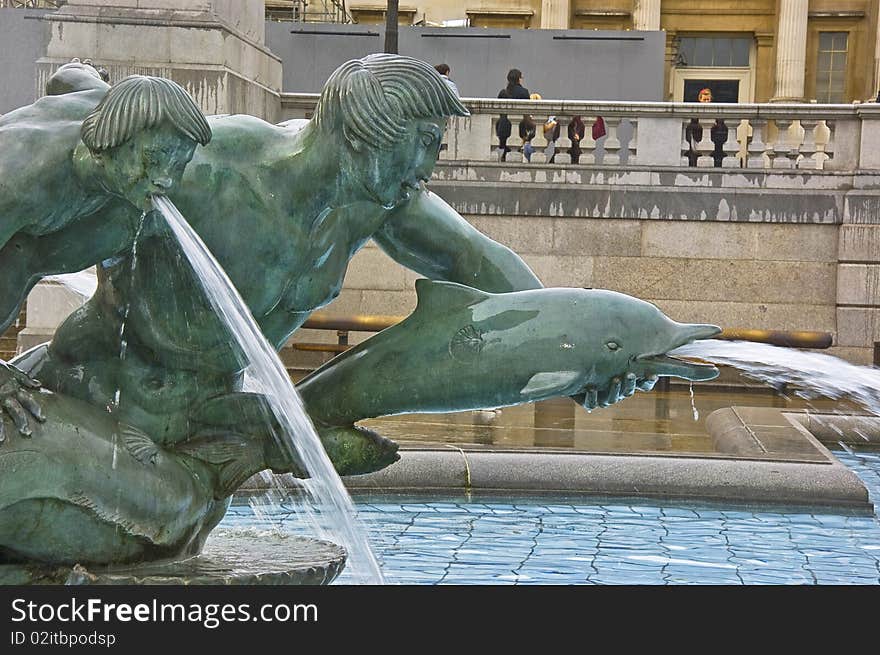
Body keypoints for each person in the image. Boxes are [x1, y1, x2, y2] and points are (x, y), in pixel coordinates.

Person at [0, 62, 211, 440]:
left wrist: (86, 69)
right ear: (118, 142)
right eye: (156, 160)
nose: (167, 179)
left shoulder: (104, 103)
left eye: (179, 164)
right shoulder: (21, 181)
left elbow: (66, 76)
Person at [496, 68, 530, 160]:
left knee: (507, 151)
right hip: (518, 129)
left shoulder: (503, 93)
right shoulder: (524, 92)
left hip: (503, 127)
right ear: (519, 79)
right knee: (515, 152)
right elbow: (526, 113)